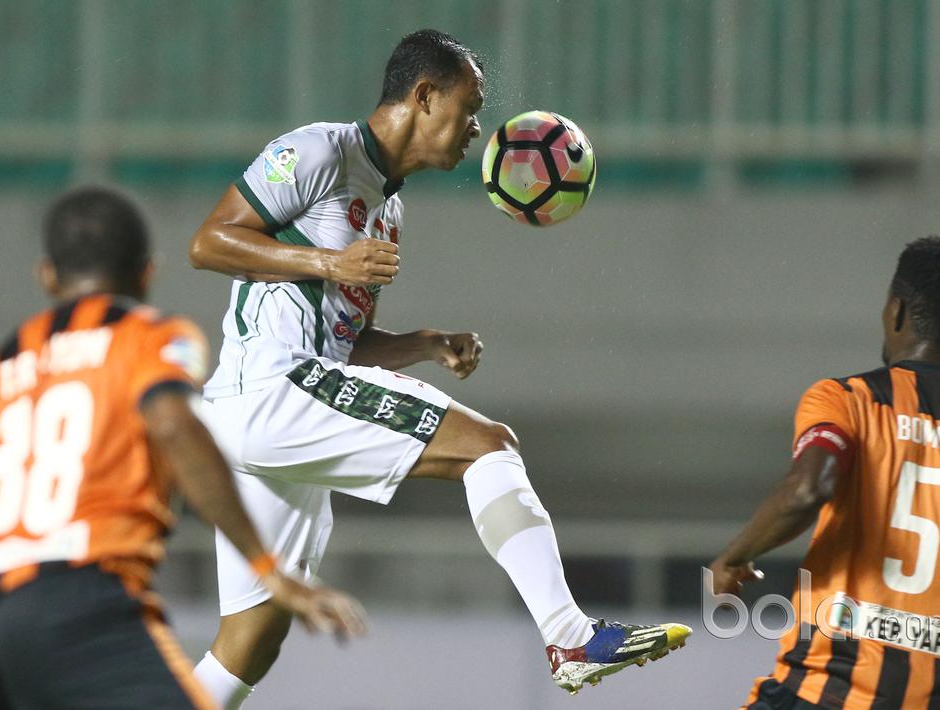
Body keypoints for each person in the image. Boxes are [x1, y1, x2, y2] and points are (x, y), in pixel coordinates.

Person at [186, 29, 689, 707]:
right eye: (469, 107)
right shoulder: (320, 152)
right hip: (273, 390)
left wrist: (425, 343)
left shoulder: (387, 208)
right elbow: (208, 242)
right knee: (487, 445)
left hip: (275, 410)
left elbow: (342, 346)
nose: (477, 127)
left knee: (251, 639)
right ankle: (570, 637)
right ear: (424, 96)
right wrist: (329, 262)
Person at [0, 186, 366, 710]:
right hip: (78, 597)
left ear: (47, 275)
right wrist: (266, 567)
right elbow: (172, 424)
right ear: (147, 272)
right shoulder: (149, 337)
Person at [710, 236, 940, 708]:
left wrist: (734, 556)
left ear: (895, 311)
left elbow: (808, 490)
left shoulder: (845, 401)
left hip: (828, 688)